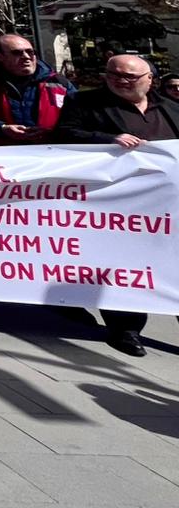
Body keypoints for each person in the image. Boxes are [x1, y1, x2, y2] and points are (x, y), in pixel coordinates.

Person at [56, 54, 179, 356]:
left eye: (129, 76)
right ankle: (125, 329)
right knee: (123, 266)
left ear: (150, 79)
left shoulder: (170, 106)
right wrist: (108, 138)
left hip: (167, 204)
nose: (120, 80)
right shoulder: (84, 102)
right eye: (113, 74)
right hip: (118, 205)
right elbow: (64, 135)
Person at [0, 33, 70, 145]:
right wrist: (1, 128)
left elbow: (76, 117)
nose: (26, 57)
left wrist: (52, 132)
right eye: (17, 53)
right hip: (1, 150)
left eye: (30, 52)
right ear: (0, 56)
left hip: (51, 150)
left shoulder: (58, 81)